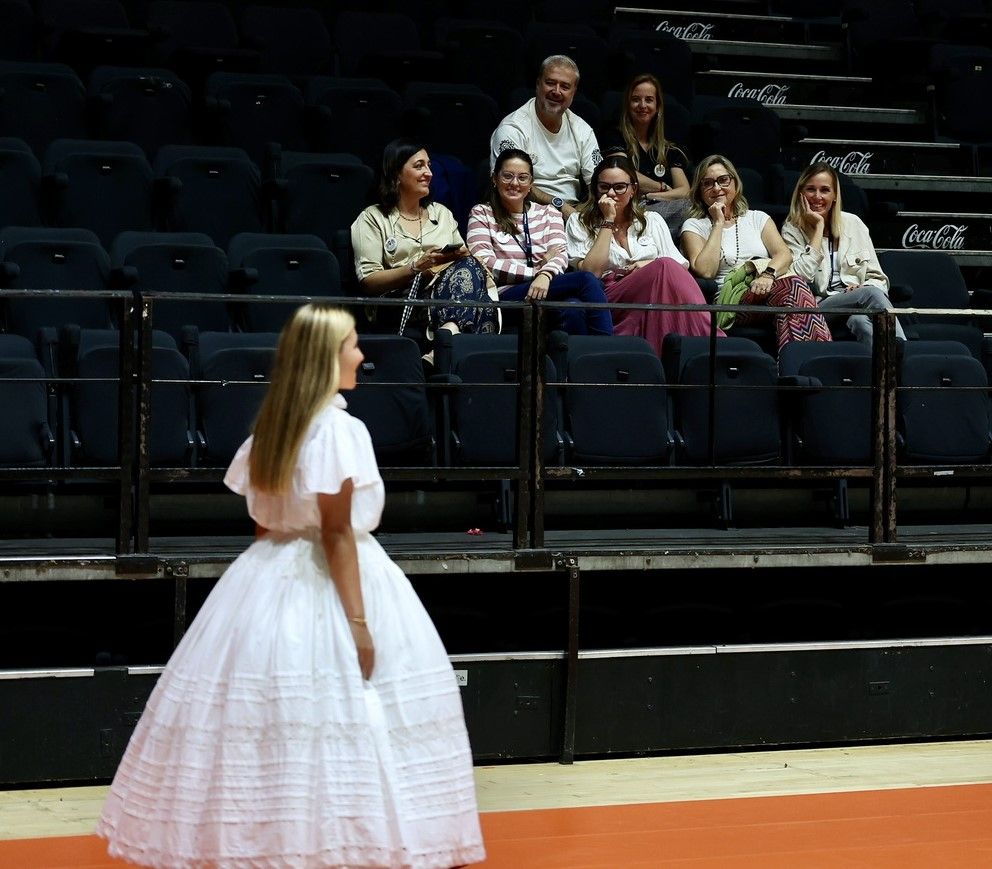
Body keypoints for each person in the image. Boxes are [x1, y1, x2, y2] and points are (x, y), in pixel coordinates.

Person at [96, 304, 486, 869]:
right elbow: (336, 534)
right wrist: (358, 623)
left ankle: (274, 842)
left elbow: (263, 523)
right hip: (328, 579)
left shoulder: (274, 428)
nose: (362, 354)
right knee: (345, 716)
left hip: (265, 575)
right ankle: (344, 845)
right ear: (326, 358)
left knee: (269, 722)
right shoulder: (338, 430)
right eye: (352, 344)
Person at [565, 154, 721, 355]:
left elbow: (680, 266)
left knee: (664, 269)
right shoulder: (579, 221)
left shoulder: (652, 220)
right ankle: (710, 339)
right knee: (663, 266)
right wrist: (608, 220)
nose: (611, 193)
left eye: (619, 187)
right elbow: (591, 273)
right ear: (596, 189)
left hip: (653, 294)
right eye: (604, 187)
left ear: (633, 190)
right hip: (607, 296)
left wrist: (647, 265)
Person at [352, 138, 497, 347]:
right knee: (479, 299)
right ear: (395, 174)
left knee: (472, 268)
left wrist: (456, 257)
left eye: (429, 165)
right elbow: (368, 281)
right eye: (419, 166)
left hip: (446, 293)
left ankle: (446, 340)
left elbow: (463, 259)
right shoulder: (373, 217)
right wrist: (416, 267)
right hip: (401, 302)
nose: (429, 173)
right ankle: (449, 347)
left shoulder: (441, 213)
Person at [681, 154, 831, 351]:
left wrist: (768, 275)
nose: (717, 188)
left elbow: (784, 255)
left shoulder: (757, 218)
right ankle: (817, 359)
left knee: (791, 301)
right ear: (700, 192)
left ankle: (798, 362)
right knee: (794, 287)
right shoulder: (694, 226)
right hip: (731, 301)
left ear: (735, 183)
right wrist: (718, 222)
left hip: (769, 287)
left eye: (723, 180)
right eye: (707, 183)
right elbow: (706, 271)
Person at [467, 148, 613, 336]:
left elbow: (560, 256)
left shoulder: (548, 213)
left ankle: (576, 363)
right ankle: (606, 348)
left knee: (573, 307)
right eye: (507, 176)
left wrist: (546, 274)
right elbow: (484, 262)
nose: (514, 183)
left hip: (546, 289)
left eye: (522, 178)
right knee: (586, 279)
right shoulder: (482, 213)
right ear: (495, 179)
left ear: (531, 184)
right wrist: (538, 273)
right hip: (504, 295)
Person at [782, 161, 906, 346]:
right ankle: (906, 349)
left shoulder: (854, 223)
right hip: (818, 307)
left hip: (858, 304)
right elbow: (801, 277)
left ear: (834, 196)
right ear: (800, 194)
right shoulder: (791, 229)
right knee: (870, 295)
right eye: (810, 189)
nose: (817, 196)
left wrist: (860, 287)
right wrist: (818, 229)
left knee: (861, 322)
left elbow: (878, 279)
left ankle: (882, 372)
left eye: (824, 190)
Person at [490, 55, 601, 221]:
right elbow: (512, 185)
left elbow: (598, 181)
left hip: (573, 209)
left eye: (564, 86)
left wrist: (588, 213)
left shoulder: (582, 129)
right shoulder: (512, 128)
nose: (556, 91)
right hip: (523, 210)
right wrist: (560, 206)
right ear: (537, 84)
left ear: (573, 93)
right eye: (550, 83)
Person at [600, 73, 691, 237]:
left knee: (692, 207)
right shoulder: (613, 136)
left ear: (658, 106)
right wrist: (662, 187)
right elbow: (622, 175)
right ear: (628, 104)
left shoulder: (668, 148)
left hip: (658, 208)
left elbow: (684, 191)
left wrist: (652, 195)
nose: (642, 105)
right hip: (626, 208)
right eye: (636, 99)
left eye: (649, 100)